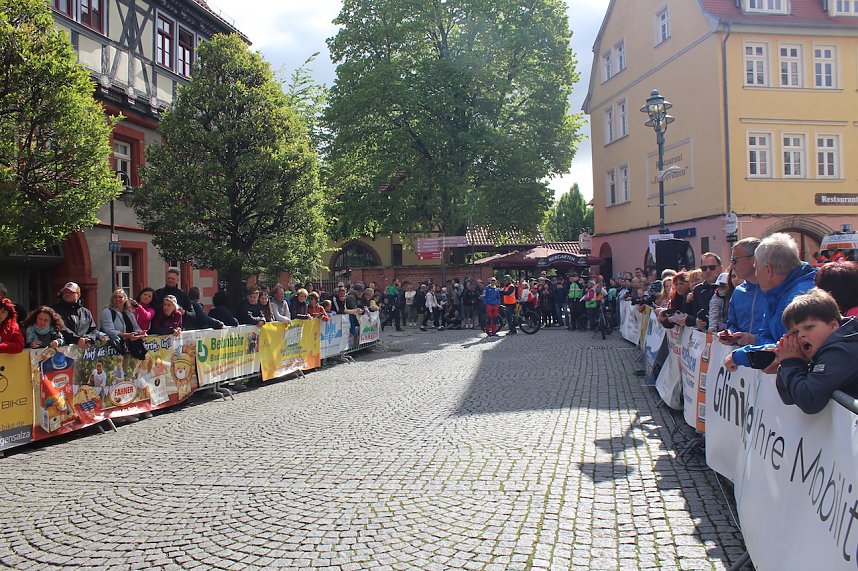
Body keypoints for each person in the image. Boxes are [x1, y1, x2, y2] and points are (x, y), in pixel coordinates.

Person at [727, 233, 816, 372]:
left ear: (768, 270)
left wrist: (741, 356)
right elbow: (765, 334)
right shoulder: (773, 293)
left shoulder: (802, 297)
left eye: (757, 269)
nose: (756, 275)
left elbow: (794, 348)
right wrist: (768, 350)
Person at [775, 288, 858, 413]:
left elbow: (809, 401)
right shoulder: (825, 348)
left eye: (808, 327)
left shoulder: (841, 351)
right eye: (795, 332)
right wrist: (794, 361)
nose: (801, 335)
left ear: (833, 325)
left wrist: (791, 362)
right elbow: (789, 396)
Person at [719, 238, 764, 347]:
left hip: (768, 355)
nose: (731, 266)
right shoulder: (738, 291)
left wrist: (754, 339)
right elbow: (732, 324)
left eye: (735, 260)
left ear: (754, 259)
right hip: (742, 354)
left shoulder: (774, 289)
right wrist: (730, 334)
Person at [53, 282, 106, 348]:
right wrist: (77, 340)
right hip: (63, 349)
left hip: (83, 349)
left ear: (78, 295)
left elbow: (92, 330)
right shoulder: (55, 310)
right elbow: (61, 327)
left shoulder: (86, 312)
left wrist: (88, 339)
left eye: (71, 292)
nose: (67, 294)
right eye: (65, 292)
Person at [685, 253, 722, 330]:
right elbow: (693, 314)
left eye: (712, 267)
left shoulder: (728, 287)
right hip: (704, 334)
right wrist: (697, 321)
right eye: (704, 268)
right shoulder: (697, 289)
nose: (708, 271)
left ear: (720, 268)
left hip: (724, 333)